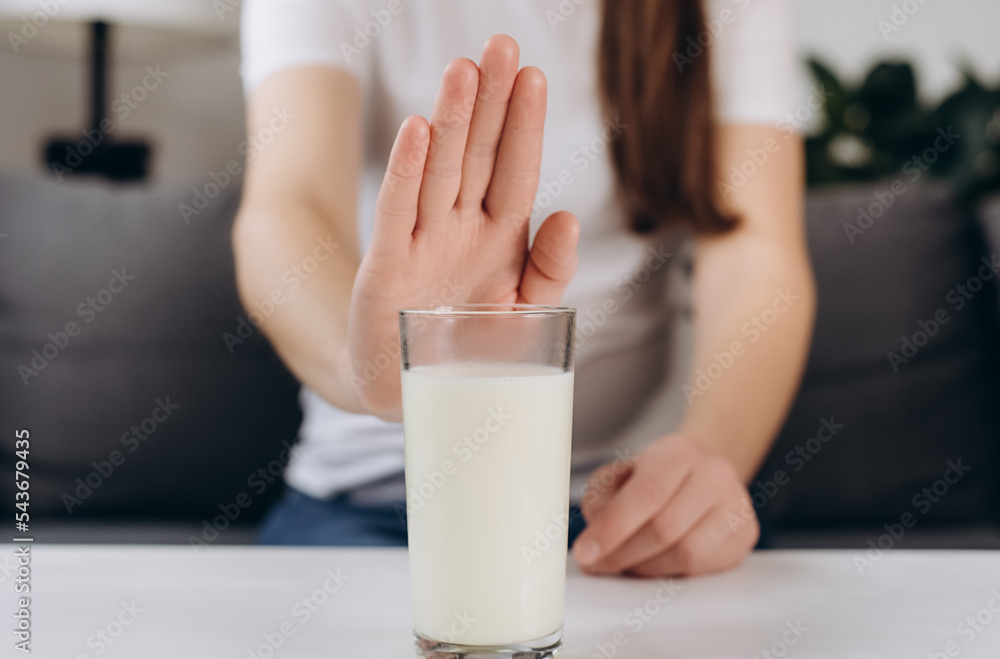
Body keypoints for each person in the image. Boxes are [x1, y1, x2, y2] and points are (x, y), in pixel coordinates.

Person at [234, 0, 815, 578]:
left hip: (637, 502)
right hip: (377, 504)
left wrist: (709, 456)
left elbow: (756, 254)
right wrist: (366, 362)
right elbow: (287, 209)